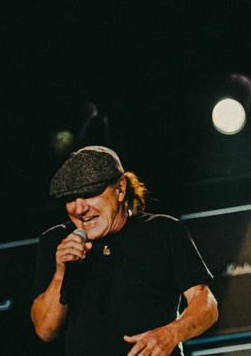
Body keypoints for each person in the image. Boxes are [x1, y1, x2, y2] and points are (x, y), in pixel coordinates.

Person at [31, 146, 218, 356]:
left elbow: (206, 305)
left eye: (89, 194)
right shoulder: (55, 241)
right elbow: (45, 330)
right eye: (70, 199)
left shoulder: (163, 231)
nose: (80, 208)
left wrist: (172, 333)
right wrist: (61, 272)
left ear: (120, 188)